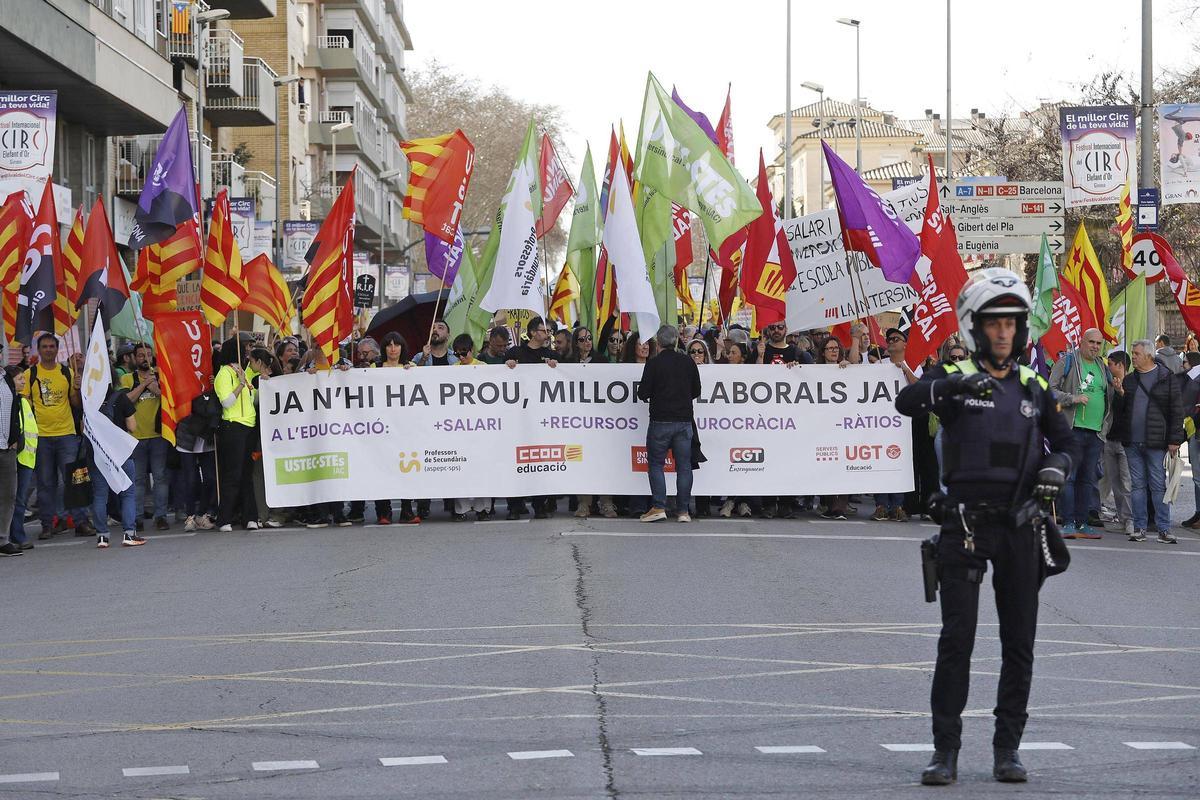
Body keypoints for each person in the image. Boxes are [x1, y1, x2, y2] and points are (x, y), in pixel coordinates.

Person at [896, 267, 1078, 786]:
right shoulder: (954, 380)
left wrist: (1056, 469)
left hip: (1022, 526)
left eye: (1012, 324)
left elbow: (1065, 445)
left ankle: (1008, 750)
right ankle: (944, 752)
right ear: (975, 326)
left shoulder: (1034, 385)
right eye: (994, 323)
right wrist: (949, 389)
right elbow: (905, 402)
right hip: (965, 528)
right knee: (958, 640)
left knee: (1020, 642)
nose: (1004, 333)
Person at [1113, 339, 1184, 543]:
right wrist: (1119, 395)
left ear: (1148, 355)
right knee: (1137, 486)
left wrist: (1174, 440)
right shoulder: (1129, 380)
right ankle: (1140, 528)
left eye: (1136, 353)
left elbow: (1176, 411)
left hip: (1156, 442)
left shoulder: (1166, 378)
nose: (1132, 356)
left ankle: (1163, 529)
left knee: (1157, 486)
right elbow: (1120, 412)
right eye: (1133, 353)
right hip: (1132, 442)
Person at [26, 334, 94, 540]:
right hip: (41, 436)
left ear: (57, 350)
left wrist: (77, 389)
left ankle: (80, 522)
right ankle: (48, 524)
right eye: (44, 347)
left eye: (52, 346)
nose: (48, 350)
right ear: (39, 350)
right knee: (46, 484)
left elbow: (75, 404)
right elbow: (26, 404)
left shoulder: (67, 372)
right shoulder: (30, 374)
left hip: (66, 435)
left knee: (74, 480)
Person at [1048, 328, 1113, 539]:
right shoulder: (1067, 362)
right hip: (1072, 430)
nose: (1095, 346)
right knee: (1070, 478)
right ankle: (1068, 522)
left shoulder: (1102, 367)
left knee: (1087, 479)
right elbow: (1049, 390)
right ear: (1082, 342)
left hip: (1095, 432)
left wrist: (1118, 390)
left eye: (1098, 343)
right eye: (1091, 342)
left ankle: (1082, 523)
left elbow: (1108, 396)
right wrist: (1072, 398)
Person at [636, 326, 701, 523]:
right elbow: (696, 390)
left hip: (660, 421)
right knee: (684, 467)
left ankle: (658, 507)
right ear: (675, 341)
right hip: (683, 422)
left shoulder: (653, 364)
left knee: (656, 464)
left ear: (658, 341)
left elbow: (643, 393)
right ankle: (683, 511)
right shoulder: (688, 362)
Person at [504, 316, 558, 519]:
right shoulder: (515, 353)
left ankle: (539, 504)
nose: (547, 334)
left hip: (541, 417)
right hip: (517, 416)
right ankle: (515, 505)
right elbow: (501, 377)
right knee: (515, 460)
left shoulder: (550, 354)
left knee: (539, 460)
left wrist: (556, 366)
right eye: (544, 330)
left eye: (549, 331)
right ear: (534, 332)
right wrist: (507, 364)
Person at [119, 344, 171, 532]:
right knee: (138, 479)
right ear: (134, 358)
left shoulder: (160, 376)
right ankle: (137, 516)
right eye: (141, 355)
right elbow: (125, 401)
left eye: (148, 355)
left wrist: (156, 386)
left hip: (158, 435)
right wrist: (143, 384)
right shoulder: (126, 378)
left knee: (160, 477)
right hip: (135, 436)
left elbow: (168, 399)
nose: (145, 358)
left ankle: (161, 516)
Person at [91, 371, 145, 549]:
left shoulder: (89, 400)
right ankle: (129, 533)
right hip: (121, 454)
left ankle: (102, 537)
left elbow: (83, 427)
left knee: (100, 495)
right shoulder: (121, 398)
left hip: (98, 455)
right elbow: (132, 426)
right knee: (127, 493)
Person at [213, 339, 261, 532]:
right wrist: (240, 385)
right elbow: (226, 402)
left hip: (249, 427)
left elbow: (253, 398)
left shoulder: (244, 372)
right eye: (245, 350)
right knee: (233, 474)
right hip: (233, 427)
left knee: (247, 474)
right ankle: (224, 518)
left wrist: (265, 385)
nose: (248, 353)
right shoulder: (223, 374)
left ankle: (250, 517)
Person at [174, 379, 218, 532]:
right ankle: (191, 516)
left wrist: (214, 383)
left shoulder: (212, 383)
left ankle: (201, 514)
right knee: (191, 480)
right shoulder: (184, 381)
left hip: (206, 438)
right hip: (187, 437)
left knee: (210, 478)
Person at [1100, 350, 1134, 536]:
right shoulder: (1108, 385)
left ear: (1120, 365)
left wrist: (1121, 392)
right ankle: (1122, 518)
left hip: (1126, 441)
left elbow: (1130, 409)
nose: (1108, 368)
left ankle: (1131, 520)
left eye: (1111, 364)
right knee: (1115, 483)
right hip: (1109, 439)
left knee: (1127, 482)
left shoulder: (1132, 383)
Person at [6, 367, 35, 551]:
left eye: (24, 378)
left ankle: (15, 535)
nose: (23, 382)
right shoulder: (10, 401)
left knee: (20, 500)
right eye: (19, 379)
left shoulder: (22, 400)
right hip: (16, 457)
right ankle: (15, 536)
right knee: (14, 500)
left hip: (27, 457)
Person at [0, 367, 23, 556]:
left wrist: (15, 438)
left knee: (8, 495)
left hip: (7, 447)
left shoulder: (7, 380)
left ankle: (3, 539)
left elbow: (15, 409)